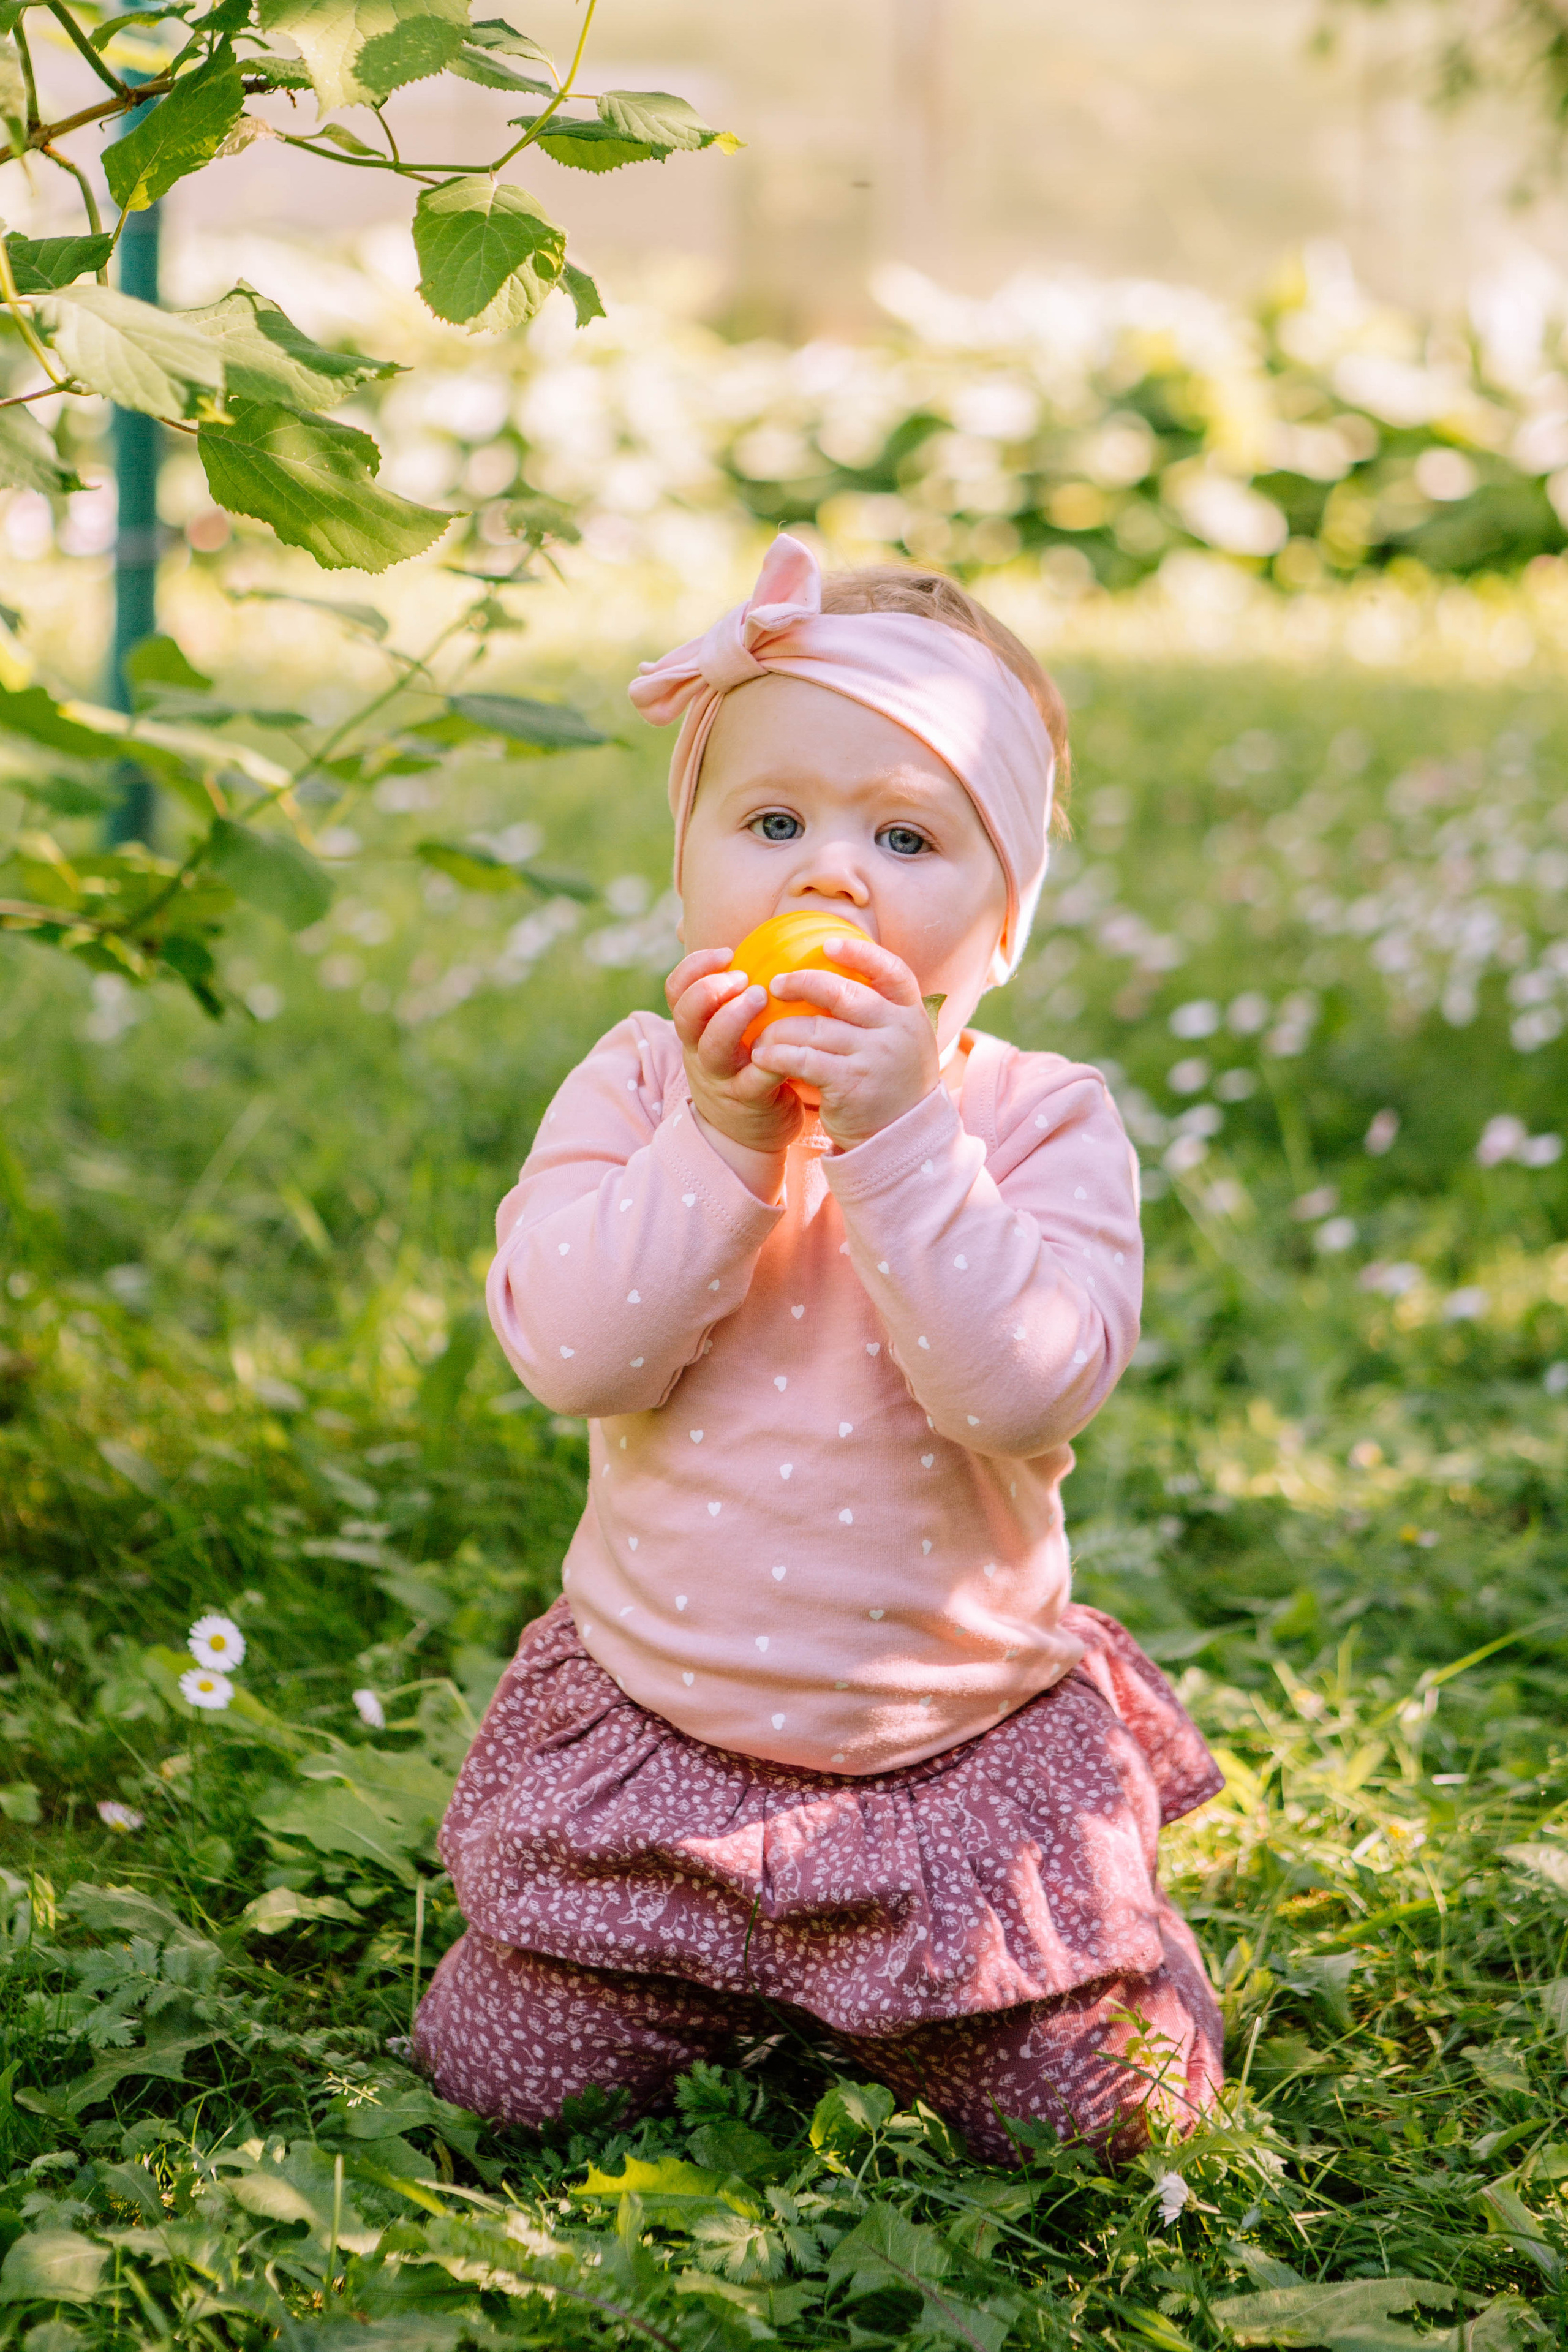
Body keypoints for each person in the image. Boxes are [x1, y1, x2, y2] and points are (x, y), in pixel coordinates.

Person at [412, 533, 1223, 2163]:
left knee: (1107, 2118)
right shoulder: (642, 1088)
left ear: (1002, 931)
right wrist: (722, 1142)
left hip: (951, 1760)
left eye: (907, 838)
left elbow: (1026, 1381)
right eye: (772, 822)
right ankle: (677, 1966)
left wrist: (903, 1139)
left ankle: (1098, 1963)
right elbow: (576, 1353)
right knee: (505, 2079)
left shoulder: (1036, 1122)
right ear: (690, 865)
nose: (828, 876)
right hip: (663, 1743)